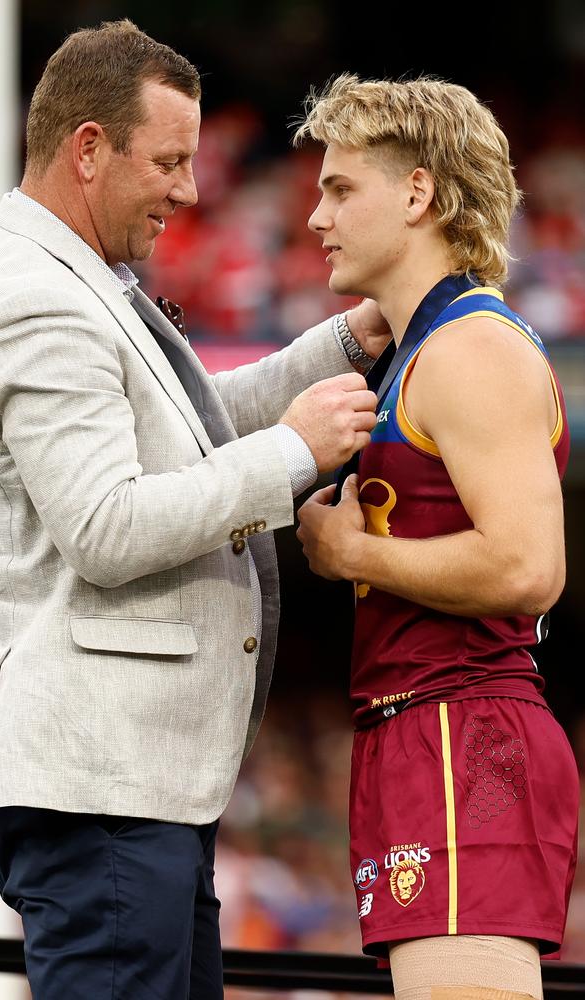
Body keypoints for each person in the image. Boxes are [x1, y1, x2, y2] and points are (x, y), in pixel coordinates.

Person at [0, 23, 389, 1000]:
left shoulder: (67, 279)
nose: (189, 190)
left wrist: (341, 347)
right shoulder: (34, 299)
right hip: (98, 784)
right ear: (87, 149)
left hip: (125, 786)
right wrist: (294, 454)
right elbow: (106, 525)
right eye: (170, 161)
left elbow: (181, 433)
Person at [294, 75, 579, 1000]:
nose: (315, 217)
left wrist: (352, 555)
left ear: (416, 193)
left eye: (340, 189)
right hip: (420, 733)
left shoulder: (472, 350)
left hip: (467, 729)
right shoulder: (421, 346)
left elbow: (530, 566)